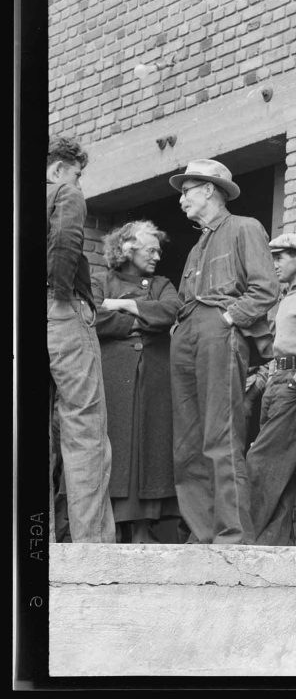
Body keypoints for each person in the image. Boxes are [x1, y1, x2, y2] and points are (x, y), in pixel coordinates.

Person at [168, 159, 278, 544]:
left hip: (219, 329)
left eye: (187, 191)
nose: (182, 200)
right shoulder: (197, 246)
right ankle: (202, 533)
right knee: (187, 442)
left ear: (210, 189)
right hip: (187, 333)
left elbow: (265, 288)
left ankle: (232, 535)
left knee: (220, 434)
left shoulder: (245, 227)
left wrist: (230, 319)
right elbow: (185, 298)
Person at [46, 136, 116, 543]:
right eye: (78, 173)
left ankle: (36, 543)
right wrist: (59, 294)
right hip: (62, 310)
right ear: (59, 169)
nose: (79, 183)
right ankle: (93, 547)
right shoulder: (64, 191)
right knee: (85, 427)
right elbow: (67, 238)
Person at [93, 220, 182, 543]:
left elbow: (171, 311)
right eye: (151, 249)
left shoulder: (162, 283)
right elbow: (93, 316)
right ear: (128, 248)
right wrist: (140, 322)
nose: (157, 255)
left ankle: (145, 529)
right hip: (114, 375)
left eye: (159, 250)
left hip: (154, 377)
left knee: (151, 447)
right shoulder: (101, 280)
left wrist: (126, 304)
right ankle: (114, 528)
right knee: (115, 445)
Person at [245, 233, 296, 545]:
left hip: (295, 380)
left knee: (261, 459)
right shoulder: (282, 298)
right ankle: (272, 543)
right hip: (274, 382)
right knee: (281, 466)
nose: (273, 263)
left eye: (280, 257)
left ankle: (241, 536)